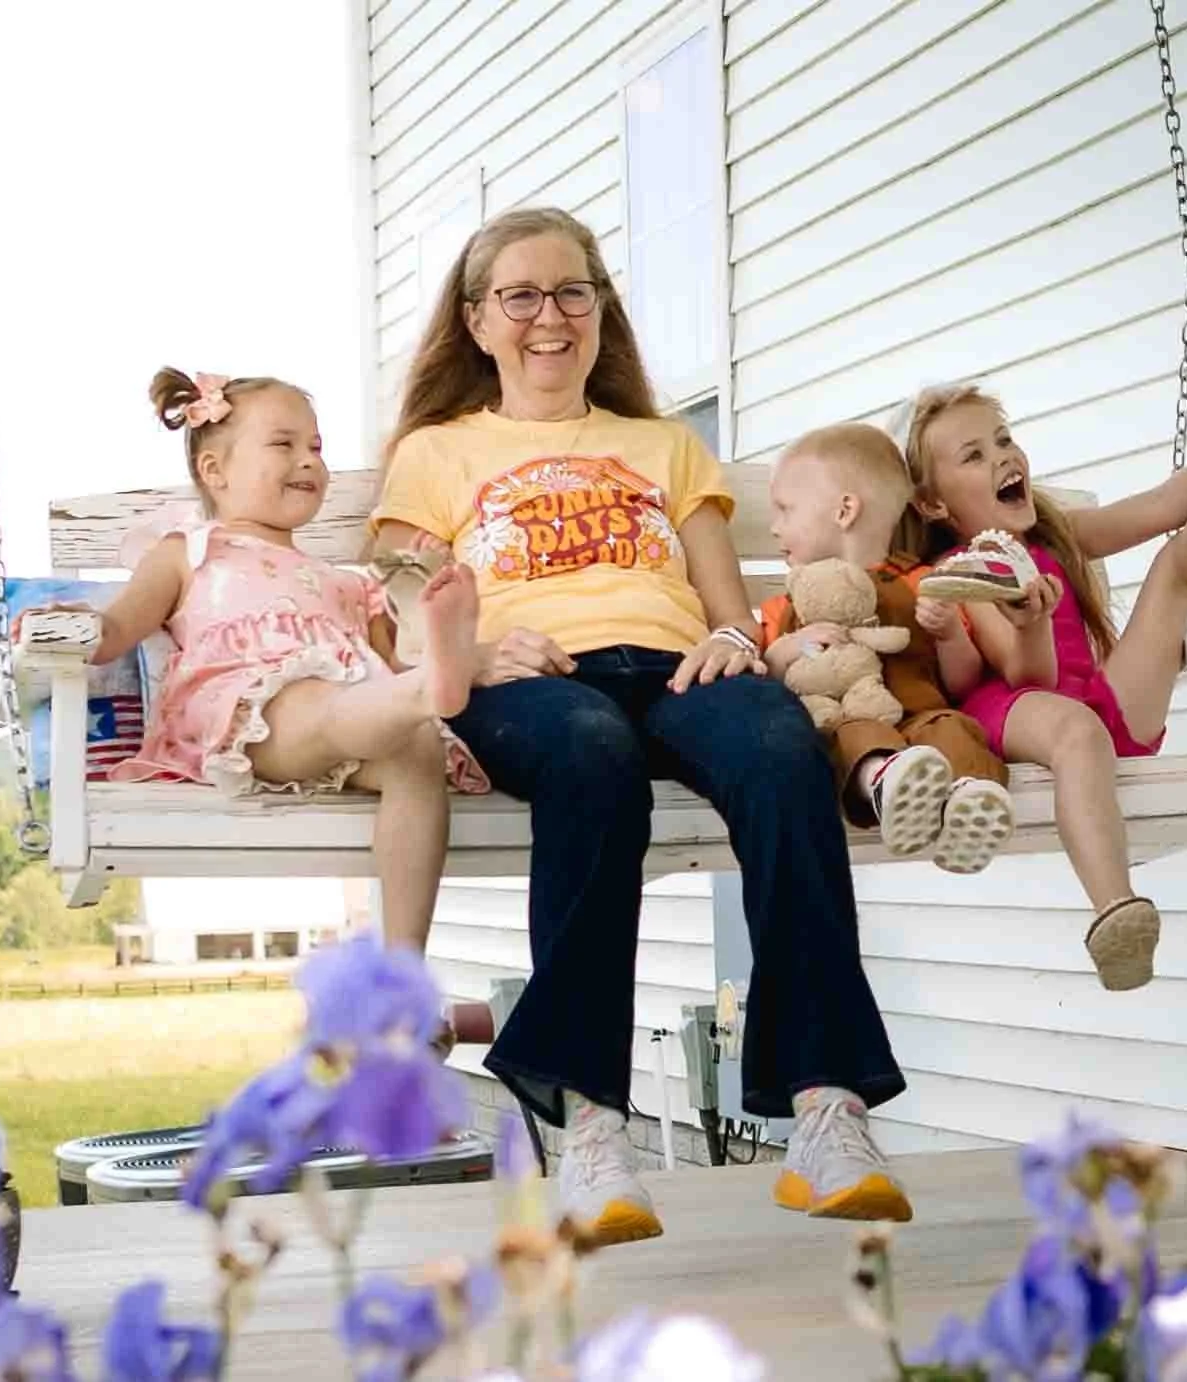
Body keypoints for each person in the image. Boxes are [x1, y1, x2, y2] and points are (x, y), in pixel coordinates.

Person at [369, 207, 913, 1235]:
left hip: (676, 665)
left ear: (601, 311)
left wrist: (737, 641)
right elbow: (403, 604)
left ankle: (825, 1108)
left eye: (573, 290)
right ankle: (591, 1127)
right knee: (592, 752)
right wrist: (474, 653)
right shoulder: (438, 453)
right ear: (479, 320)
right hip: (529, 678)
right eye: (520, 295)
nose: (550, 316)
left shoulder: (663, 446)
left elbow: (722, 600)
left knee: (779, 747)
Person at [37, 368, 490, 957]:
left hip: (351, 713)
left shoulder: (347, 584)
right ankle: (435, 687)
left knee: (416, 749)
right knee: (331, 701)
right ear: (215, 471)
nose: (308, 460)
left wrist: (418, 611)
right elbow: (119, 628)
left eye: (317, 447)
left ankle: (403, 968)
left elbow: (386, 667)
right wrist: (74, 626)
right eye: (284, 444)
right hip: (251, 717)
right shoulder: (189, 552)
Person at [898, 326, 1187, 991]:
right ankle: (1115, 908)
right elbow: (1029, 679)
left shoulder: (1055, 534)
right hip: (1018, 716)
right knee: (1074, 728)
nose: (1001, 456)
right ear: (933, 503)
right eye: (972, 454)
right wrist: (1028, 622)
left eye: (1002, 438)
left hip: (1103, 706)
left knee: (1175, 569)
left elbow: (1165, 505)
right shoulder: (961, 568)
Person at [760, 422, 1014, 873]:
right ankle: (887, 781)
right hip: (848, 723)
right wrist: (787, 650)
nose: (775, 526)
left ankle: (969, 804)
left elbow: (960, 685)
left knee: (952, 726)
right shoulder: (789, 603)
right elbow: (766, 677)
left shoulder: (925, 584)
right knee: (853, 736)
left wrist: (951, 635)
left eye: (785, 509)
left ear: (844, 511)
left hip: (922, 716)